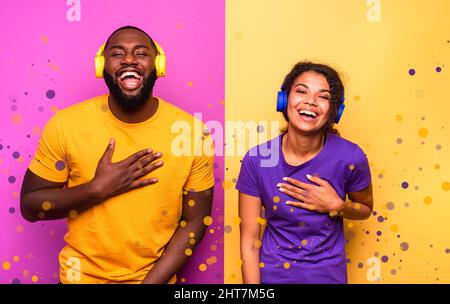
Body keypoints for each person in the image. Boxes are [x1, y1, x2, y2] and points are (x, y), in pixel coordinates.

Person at [20, 26, 214, 284]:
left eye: (141, 53)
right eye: (118, 53)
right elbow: (31, 207)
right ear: (102, 66)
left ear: (159, 65)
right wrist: (97, 189)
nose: (130, 60)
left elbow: (195, 221)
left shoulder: (192, 133)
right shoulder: (65, 124)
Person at [237, 62, 373, 284]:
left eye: (323, 96)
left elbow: (365, 209)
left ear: (335, 111)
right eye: (301, 91)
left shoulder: (351, 157)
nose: (310, 101)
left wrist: (339, 206)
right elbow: (250, 242)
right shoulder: (257, 160)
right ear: (284, 100)